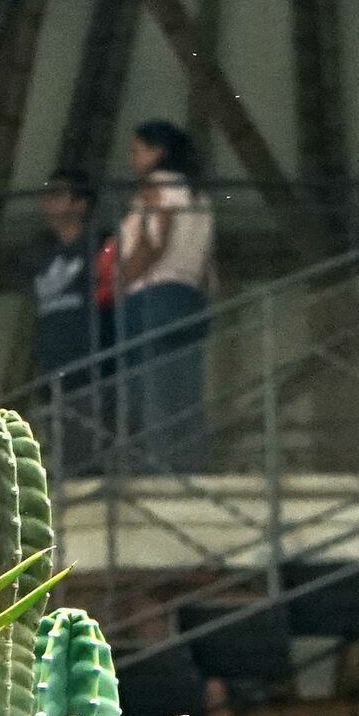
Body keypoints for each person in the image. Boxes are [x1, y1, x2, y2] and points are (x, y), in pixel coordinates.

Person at [111, 120, 217, 470]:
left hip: (151, 297)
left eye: (137, 150)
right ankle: (189, 466)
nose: (131, 158)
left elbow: (153, 240)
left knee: (151, 392)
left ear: (158, 152)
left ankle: (159, 471)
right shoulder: (199, 197)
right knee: (184, 390)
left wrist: (122, 279)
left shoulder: (155, 189)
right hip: (189, 297)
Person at [24, 166, 108, 409]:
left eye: (57, 195)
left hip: (88, 362)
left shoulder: (99, 248)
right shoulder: (43, 258)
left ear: (80, 204)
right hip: (51, 365)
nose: (47, 203)